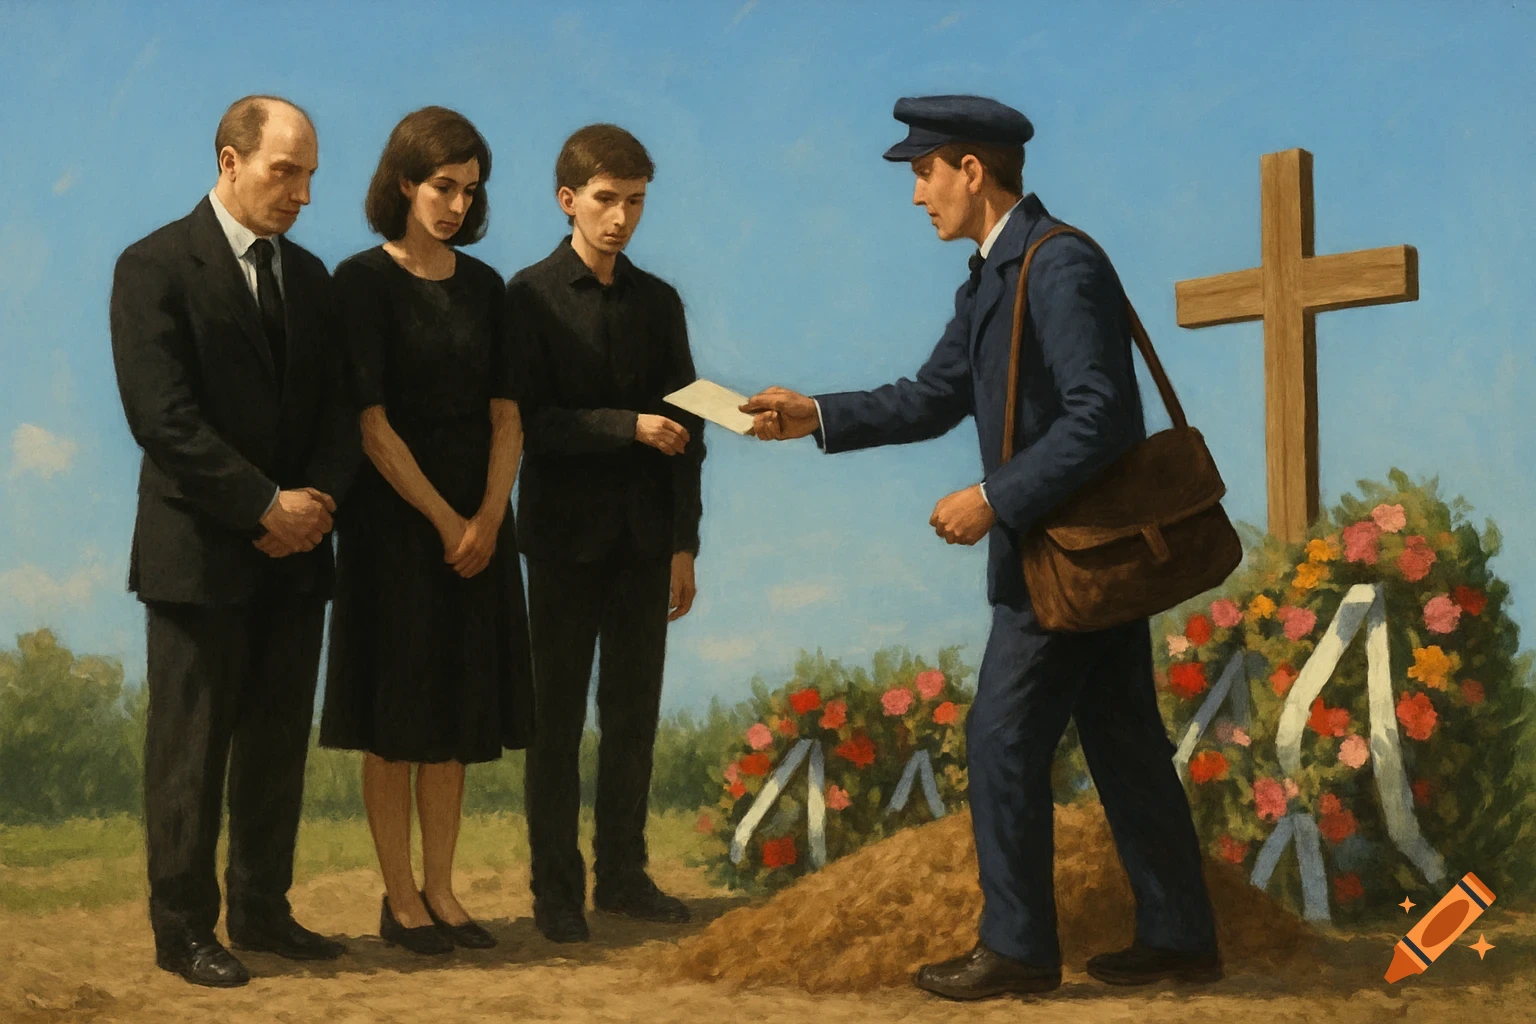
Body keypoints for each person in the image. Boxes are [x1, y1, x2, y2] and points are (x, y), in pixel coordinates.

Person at [742, 95, 1221, 1000]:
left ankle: (1021, 950)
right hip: (1079, 560)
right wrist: (814, 414)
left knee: (1000, 741)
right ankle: (1180, 934)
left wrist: (994, 499)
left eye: (924, 171)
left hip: (1065, 559)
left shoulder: (1059, 263)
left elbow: (1103, 417)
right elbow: (929, 396)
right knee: (1123, 741)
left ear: (972, 169)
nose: (917, 193)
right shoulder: (991, 277)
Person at [109, 95, 357, 987]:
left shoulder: (315, 279)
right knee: (190, 753)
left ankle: (262, 910)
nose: (300, 193)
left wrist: (314, 504)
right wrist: (263, 506)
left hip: (298, 557)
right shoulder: (153, 267)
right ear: (229, 161)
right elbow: (161, 419)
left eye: (309, 177)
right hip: (199, 556)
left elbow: (339, 409)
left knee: (276, 746)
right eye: (284, 172)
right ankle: (182, 932)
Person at [318, 106, 534, 955]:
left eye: (469, 190)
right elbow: (370, 425)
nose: (455, 204)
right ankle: (399, 898)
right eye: (442, 186)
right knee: (396, 717)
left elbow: (509, 415)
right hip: (395, 526)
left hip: (482, 522)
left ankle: (444, 891)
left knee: (455, 716)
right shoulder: (358, 282)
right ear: (404, 182)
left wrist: (486, 518)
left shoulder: (488, 289)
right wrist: (447, 521)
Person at [505, 123, 705, 943]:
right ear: (568, 201)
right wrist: (627, 426)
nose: (621, 217)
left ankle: (623, 876)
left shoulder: (660, 302)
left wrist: (684, 544)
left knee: (633, 717)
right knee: (554, 722)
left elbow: (692, 428)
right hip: (560, 543)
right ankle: (556, 889)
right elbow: (525, 425)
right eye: (606, 200)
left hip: (645, 544)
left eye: (635, 202)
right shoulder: (527, 296)